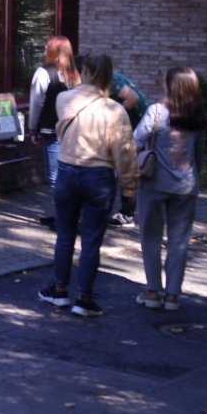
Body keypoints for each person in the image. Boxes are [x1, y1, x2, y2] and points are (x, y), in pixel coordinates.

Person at [38, 52, 137, 317]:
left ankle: (59, 290)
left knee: (65, 235)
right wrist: (129, 191)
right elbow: (125, 154)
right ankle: (84, 298)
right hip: (99, 176)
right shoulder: (115, 111)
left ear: (85, 71)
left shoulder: (63, 99)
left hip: (68, 172)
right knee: (92, 240)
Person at [133, 66, 207, 312]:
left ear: (170, 86)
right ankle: (173, 296)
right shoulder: (197, 119)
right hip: (186, 186)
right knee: (179, 242)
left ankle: (152, 291)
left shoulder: (156, 112)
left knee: (151, 238)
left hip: (153, 183)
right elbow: (199, 156)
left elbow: (136, 141)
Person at [28, 36, 79, 202]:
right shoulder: (75, 73)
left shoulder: (44, 72)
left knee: (55, 177)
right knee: (72, 174)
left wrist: (32, 129)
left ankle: (65, 218)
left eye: (46, 47)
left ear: (54, 51)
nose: (44, 51)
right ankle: (70, 215)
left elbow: (36, 102)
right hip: (75, 131)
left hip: (52, 129)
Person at [108, 71, 150, 226]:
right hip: (132, 125)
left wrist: (114, 116)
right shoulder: (112, 78)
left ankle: (127, 214)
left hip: (137, 126)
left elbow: (133, 97)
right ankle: (125, 212)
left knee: (127, 170)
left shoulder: (111, 81)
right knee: (125, 170)